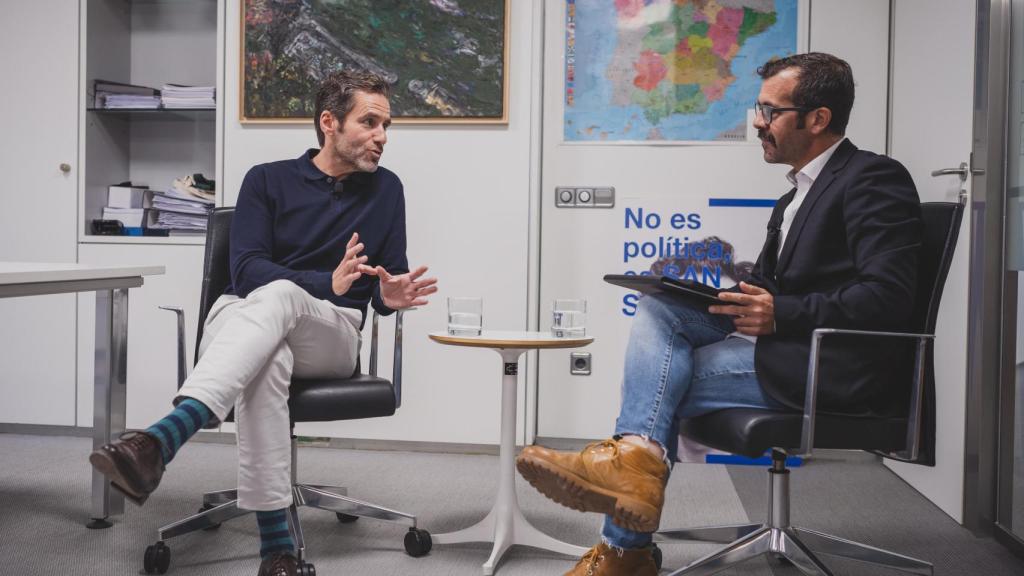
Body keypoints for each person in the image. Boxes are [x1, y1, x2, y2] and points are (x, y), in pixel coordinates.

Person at [516, 52, 922, 575]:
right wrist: (730, 297)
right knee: (660, 305)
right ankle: (631, 473)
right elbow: (784, 287)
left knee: (658, 387)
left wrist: (782, 312)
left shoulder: (873, 178)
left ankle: (626, 542)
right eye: (759, 108)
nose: (757, 122)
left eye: (770, 111)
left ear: (817, 119)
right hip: (790, 345)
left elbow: (889, 296)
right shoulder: (793, 197)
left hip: (834, 366)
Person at [89, 70, 438, 576]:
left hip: (332, 331)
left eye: (387, 125)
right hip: (247, 315)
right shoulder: (266, 179)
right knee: (268, 354)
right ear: (328, 123)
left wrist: (388, 295)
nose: (382, 136)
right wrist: (326, 281)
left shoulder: (387, 190)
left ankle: (162, 439)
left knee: (281, 297)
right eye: (369, 122)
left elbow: (384, 287)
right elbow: (247, 271)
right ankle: (278, 554)